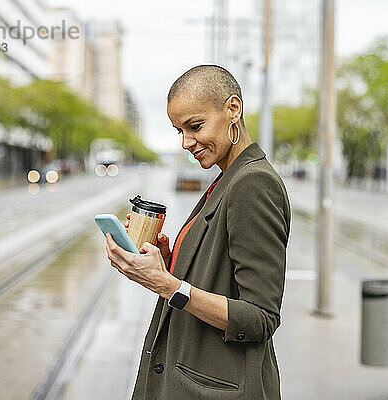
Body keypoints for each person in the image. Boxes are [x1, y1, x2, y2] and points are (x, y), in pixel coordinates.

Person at [104, 64, 291, 400]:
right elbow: (218, 275)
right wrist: (166, 261)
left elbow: (260, 318)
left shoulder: (253, 183)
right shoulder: (228, 177)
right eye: (180, 131)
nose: (187, 142)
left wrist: (166, 284)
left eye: (195, 126)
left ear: (233, 108)